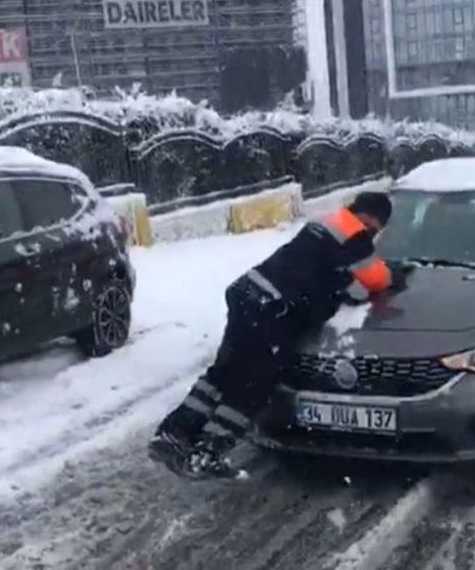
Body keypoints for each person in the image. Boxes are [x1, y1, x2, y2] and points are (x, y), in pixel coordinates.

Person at [148, 192, 408, 480]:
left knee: (225, 371)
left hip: (248, 293)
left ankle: (174, 434)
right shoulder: (354, 235)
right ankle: (207, 453)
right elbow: (377, 279)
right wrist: (396, 275)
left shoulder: (326, 223)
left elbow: (322, 268)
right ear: (371, 217)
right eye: (377, 225)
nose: (376, 232)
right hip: (270, 309)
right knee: (253, 383)